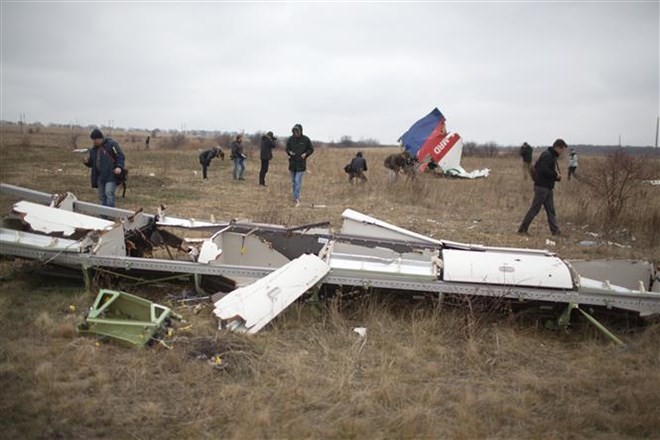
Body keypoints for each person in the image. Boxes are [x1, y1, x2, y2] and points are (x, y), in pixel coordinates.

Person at [518, 138, 569, 236]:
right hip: (542, 187)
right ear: (558, 147)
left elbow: (539, 168)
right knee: (535, 209)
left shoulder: (550, 155)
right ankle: (522, 229)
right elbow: (543, 170)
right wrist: (555, 175)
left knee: (551, 211)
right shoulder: (548, 156)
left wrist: (556, 177)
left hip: (548, 187)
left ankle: (555, 232)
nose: (563, 152)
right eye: (562, 150)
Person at [82, 128, 125, 207]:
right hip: (100, 176)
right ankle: (103, 217)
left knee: (109, 193)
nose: (94, 142)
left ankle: (110, 215)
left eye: (96, 140)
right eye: (93, 140)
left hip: (111, 175)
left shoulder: (112, 144)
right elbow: (92, 164)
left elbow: (120, 156)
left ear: (100, 138)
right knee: (102, 196)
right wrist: (86, 162)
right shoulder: (93, 150)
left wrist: (119, 167)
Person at [285, 123, 314, 207]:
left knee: (298, 181)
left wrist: (305, 154)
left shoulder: (306, 139)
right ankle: (295, 196)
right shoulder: (290, 139)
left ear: (301, 131)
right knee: (294, 182)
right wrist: (289, 152)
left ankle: (296, 197)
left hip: (301, 164)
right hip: (292, 163)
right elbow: (287, 149)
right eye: (294, 132)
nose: (296, 133)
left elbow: (311, 149)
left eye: (297, 131)